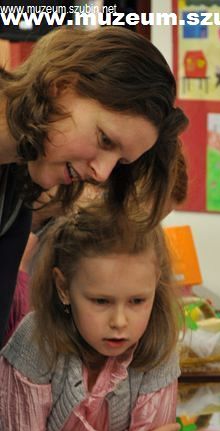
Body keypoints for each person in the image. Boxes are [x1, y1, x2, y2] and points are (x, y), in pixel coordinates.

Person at [0, 25, 188, 341]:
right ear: (62, 85)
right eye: (105, 139)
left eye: (120, 162)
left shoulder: (16, 195)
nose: (101, 173)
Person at [0, 204, 181, 431]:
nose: (119, 321)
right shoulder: (34, 341)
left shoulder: (159, 344)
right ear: (63, 287)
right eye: (101, 301)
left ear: (156, 285)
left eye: (137, 301)